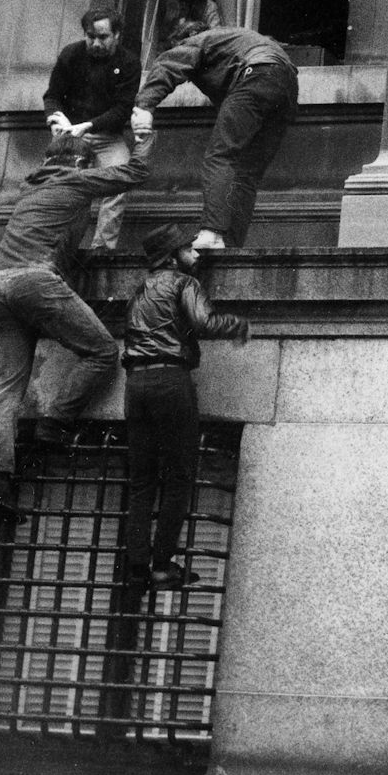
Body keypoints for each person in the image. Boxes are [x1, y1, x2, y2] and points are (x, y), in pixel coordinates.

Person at [0, 127, 154, 519]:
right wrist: (143, 135)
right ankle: (55, 424)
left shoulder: (29, 188)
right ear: (78, 162)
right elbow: (136, 173)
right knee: (103, 351)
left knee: (7, 389)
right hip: (33, 280)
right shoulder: (77, 178)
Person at [119, 222, 250, 590]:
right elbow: (203, 321)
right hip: (170, 382)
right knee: (178, 476)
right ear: (172, 255)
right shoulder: (184, 284)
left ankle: (136, 569)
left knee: (142, 481)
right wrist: (237, 326)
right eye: (188, 249)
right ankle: (162, 566)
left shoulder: (139, 290)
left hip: (136, 385)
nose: (196, 254)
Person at [130, 25, 298, 249]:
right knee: (245, 174)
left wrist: (144, 106)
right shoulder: (232, 43)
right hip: (287, 85)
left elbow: (167, 64)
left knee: (219, 157)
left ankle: (212, 232)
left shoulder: (199, 40)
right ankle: (231, 244)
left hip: (258, 74)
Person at [42, 7, 141, 250]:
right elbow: (52, 96)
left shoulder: (129, 63)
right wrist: (55, 120)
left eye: (103, 37)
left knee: (120, 177)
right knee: (58, 187)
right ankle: (58, 248)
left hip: (107, 136)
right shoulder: (71, 55)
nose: (96, 43)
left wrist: (88, 126)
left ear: (117, 35)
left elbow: (122, 110)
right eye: (90, 36)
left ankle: (102, 249)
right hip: (70, 135)